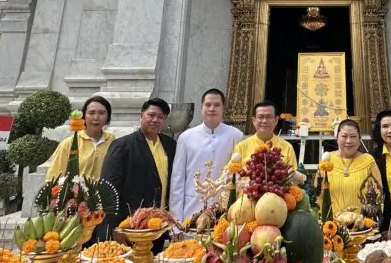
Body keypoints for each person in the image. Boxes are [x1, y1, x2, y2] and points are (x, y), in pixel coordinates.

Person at [102, 98, 176, 232]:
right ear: (141, 116)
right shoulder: (122, 145)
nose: (155, 120)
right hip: (130, 223)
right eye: (151, 115)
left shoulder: (170, 145)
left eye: (160, 117)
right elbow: (109, 188)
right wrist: (114, 227)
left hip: (159, 224)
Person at [169, 89, 243, 222]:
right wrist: (176, 222)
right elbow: (177, 180)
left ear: (223, 108)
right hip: (192, 209)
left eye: (216, 105)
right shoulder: (186, 138)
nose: (212, 109)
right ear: (201, 107)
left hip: (224, 210)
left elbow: (239, 176)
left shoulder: (236, 136)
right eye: (208, 105)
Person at [45, 96, 116, 181]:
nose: (96, 117)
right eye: (91, 113)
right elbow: (53, 177)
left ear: (108, 116)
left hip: (106, 193)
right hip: (76, 193)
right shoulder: (69, 144)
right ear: (84, 116)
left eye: (101, 113)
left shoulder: (113, 141)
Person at [326, 119, 382, 216]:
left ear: (359, 139)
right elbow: (320, 196)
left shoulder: (368, 161)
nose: (348, 141)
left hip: (362, 226)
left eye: (353, 136)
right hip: (332, 224)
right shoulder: (327, 160)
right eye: (344, 136)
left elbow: (378, 195)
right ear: (337, 138)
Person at [231, 101, 299, 170]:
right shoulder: (241, 147)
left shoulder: (287, 147)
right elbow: (231, 175)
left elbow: (293, 176)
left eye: (269, 117)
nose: (264, 121)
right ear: (254, 120)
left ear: (276, 120)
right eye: (260, 117)